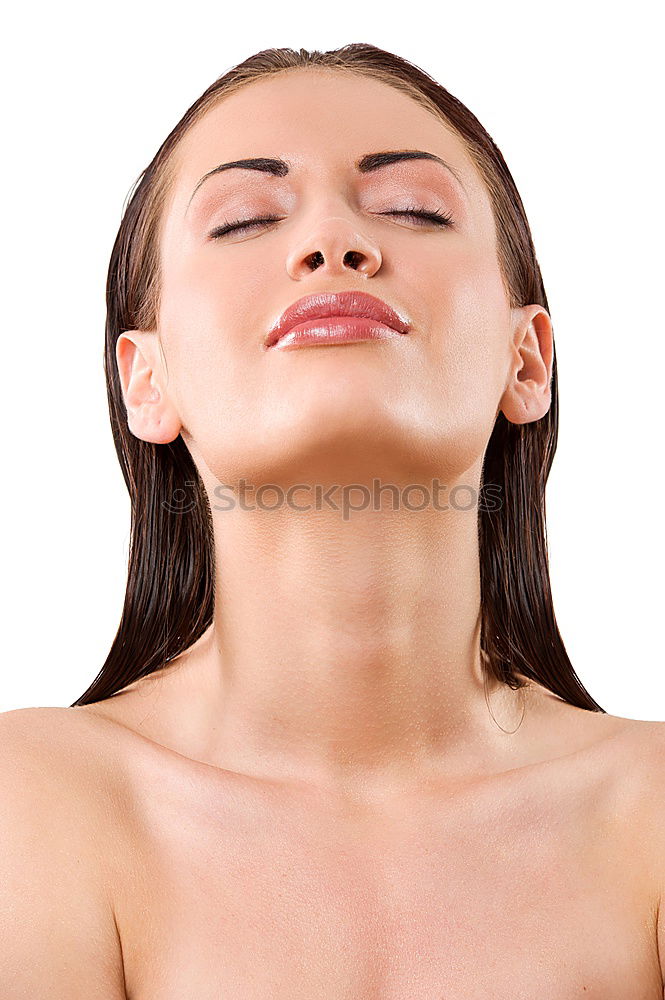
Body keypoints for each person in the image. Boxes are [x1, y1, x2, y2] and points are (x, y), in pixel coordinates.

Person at [2, 43, 663, 998]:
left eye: (413, 210)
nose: (332, 243)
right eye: (242, 221)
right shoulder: (33, 803)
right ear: (145, 380)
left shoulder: (648, 814)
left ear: (527, 362)